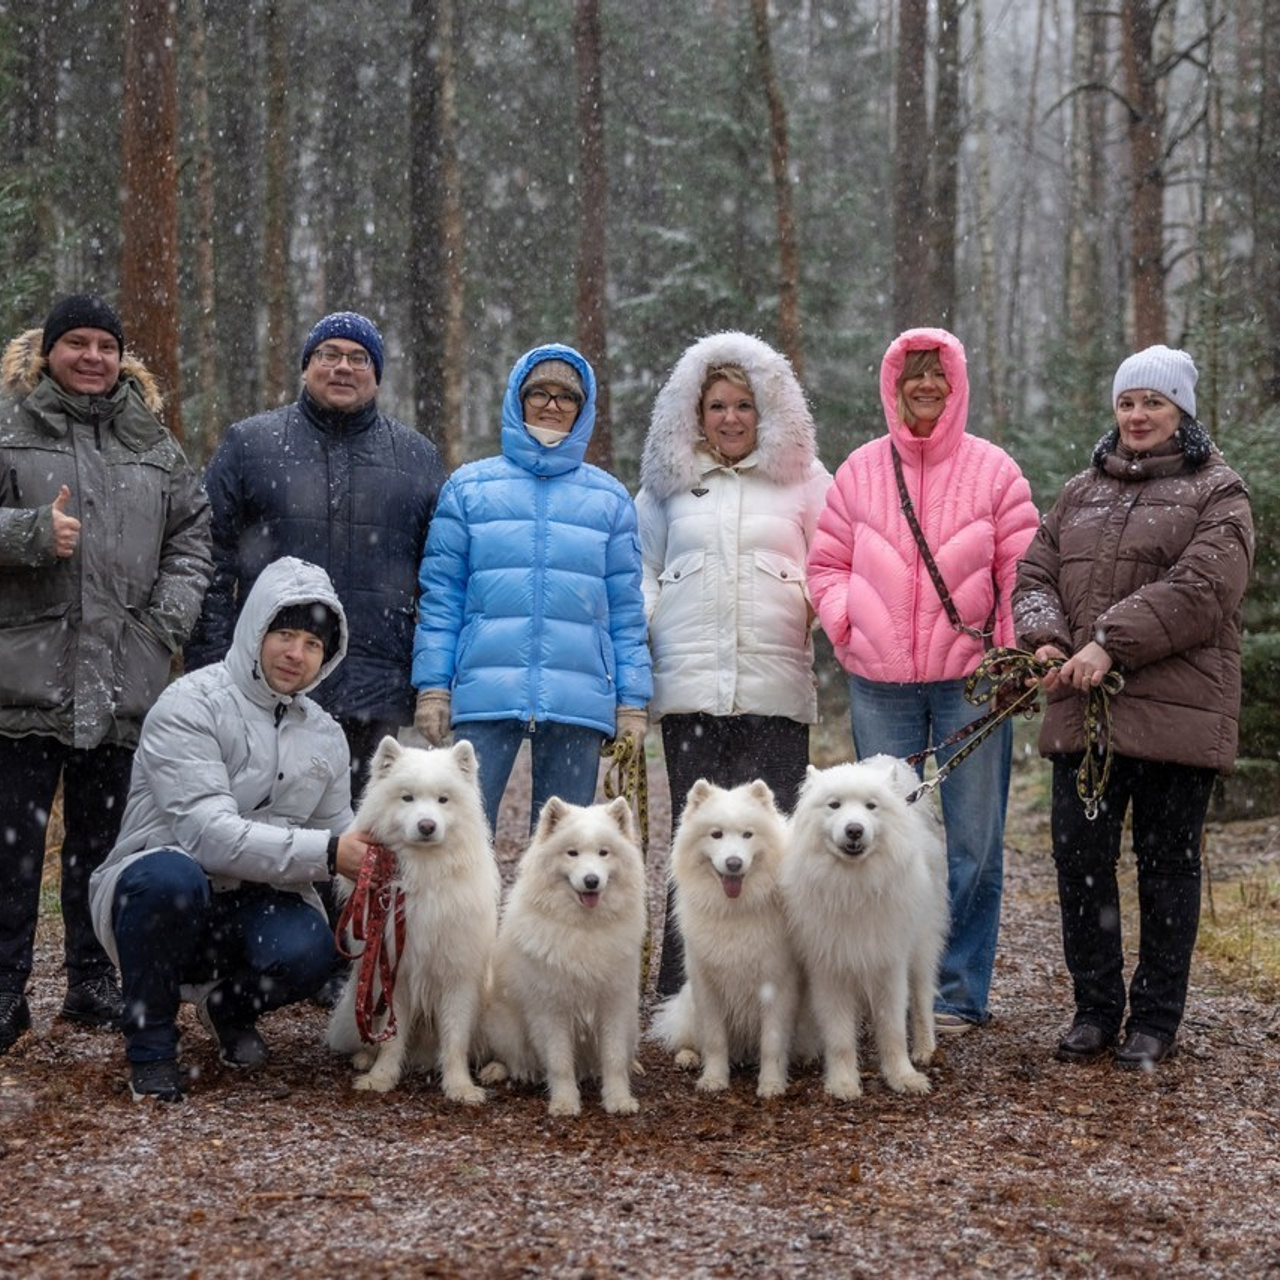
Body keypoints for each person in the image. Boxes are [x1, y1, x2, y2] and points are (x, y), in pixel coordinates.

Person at [1013, 345, 1253, 1070]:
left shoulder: (1220, 492)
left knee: (1166, 868)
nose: (1138, 415)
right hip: (1083, 716)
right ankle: (1093, 1010)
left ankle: (1154, 1019)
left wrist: (1110, 643)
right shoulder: (1079, 490)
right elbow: (1034, 572)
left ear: (1181, 409)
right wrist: (1047, 641)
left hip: (1177, 720)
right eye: (1128, 402)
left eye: (1154, 402)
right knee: (1080, 863)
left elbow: (1203, 590)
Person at [807, 327, 1038, 1035]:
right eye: (914, 376)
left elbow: (1019, 576)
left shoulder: (996, 471)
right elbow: (825, 565)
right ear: (894, 385)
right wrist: (850, 624)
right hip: (881, 683)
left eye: (938, 375)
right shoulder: (859, 472)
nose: (926, 387)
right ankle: (884, 991)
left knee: (973, 843)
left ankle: (957, 992)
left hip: (971, 683)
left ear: (957, 382)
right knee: (879, 838)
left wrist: (1011, 659)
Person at [0, 294, 212, 1054]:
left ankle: (92, 982)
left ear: (123, 358)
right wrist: (28, 533)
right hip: (21, 686)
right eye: (76, 344)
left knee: (104, 846)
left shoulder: (153, 441)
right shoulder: (10, 426)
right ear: (47, 352)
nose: (92, 358)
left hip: (126, 682)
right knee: (11, 851)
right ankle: (4, 991)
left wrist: (164, 626)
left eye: (105, 346)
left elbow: (192, 537)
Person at [89, 557, 372, 1102]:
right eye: (284, 634)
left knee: (314, 945)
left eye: (313, 644)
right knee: (169, 880)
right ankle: (151, 1046)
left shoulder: (326, 735)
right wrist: (334, 851)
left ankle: (230, 1008)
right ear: (254, 631)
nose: (296, 654)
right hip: (166, 887)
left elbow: (342, 836)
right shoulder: (190, 704)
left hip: (254, 901)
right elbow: (209, 836)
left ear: (327, 656)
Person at [635, 331, 832, 995]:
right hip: (689, 692)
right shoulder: (669, 487)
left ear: (767, 411)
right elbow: (642, 570)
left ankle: (772, 995)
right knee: (697, 847)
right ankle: (686, 991)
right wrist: (649, 620)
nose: (729, 418)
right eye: (716, 405)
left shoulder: (804, 483)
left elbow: (831, 561)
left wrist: (807, 603)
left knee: (769, 849)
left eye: (743, 405)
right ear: (695, 413)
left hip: (775, 691)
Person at [185, 310, 445, 801]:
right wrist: (211, 665)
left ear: (377, 374)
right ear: (306, 367)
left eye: (358, 358)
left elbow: (440, 579)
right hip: (270, 679)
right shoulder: (250, 444)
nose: (342, 367)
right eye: (328, 355)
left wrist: (431, 678)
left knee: (361, 837)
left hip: (376, 683)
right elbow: (210, 561)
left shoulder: (417, 457)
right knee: (260, 826)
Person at [412, 343, 651, 833]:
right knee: (460, 842)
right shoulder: (468, 489)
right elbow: (442, 598)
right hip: (483, 691)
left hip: (578, 697)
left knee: (565, 850)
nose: (551, 404)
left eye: (566, 396)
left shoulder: (609, 499)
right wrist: (433, 687)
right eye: (538, 392)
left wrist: (632, 701)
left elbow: (625, 609)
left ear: (583, 411)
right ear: (516, 400)